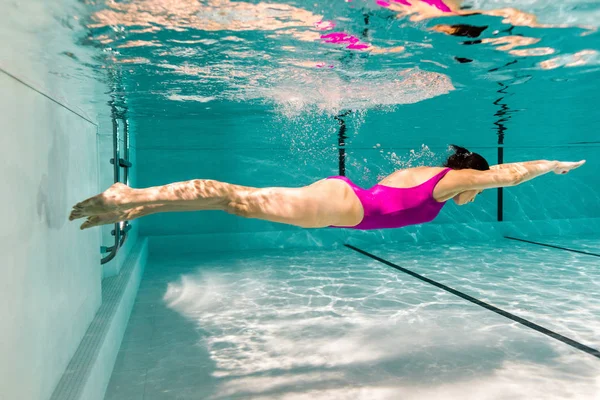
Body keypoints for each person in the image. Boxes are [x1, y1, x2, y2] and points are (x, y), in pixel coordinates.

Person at [69, 145, 585, 231]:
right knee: (235, 196)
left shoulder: (429, 177)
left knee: (240, 206)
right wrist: (553, 166)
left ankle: (141, 208)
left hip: (345, 198)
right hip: (344, 204)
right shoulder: (457, 180)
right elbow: (508, 174)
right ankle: (129, 195)